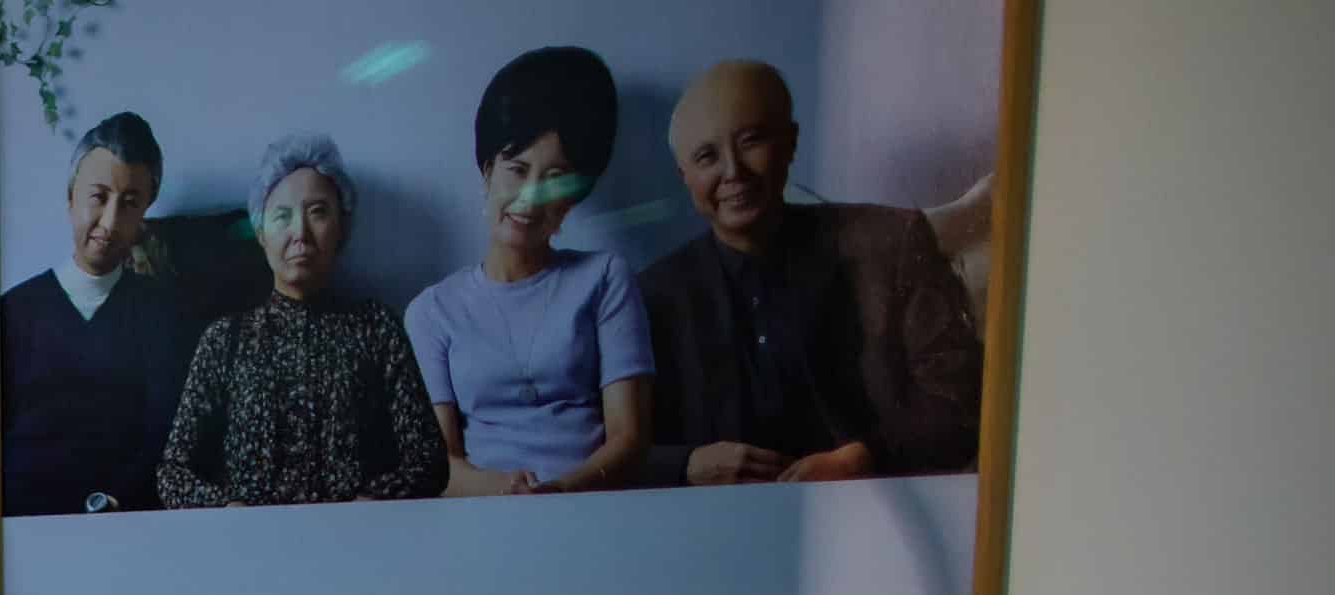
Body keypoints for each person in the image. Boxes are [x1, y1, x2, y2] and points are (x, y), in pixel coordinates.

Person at [637, 59, 982, 486]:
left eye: (751, 141)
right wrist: (687, 464)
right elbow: (606, 449)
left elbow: (966, 402)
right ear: (684, 176)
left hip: (877, 515)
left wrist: (863, 458)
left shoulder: (890, 243)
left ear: (791, 142)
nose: (733, 172)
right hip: (713, 529)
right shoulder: (653, 294)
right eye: (707, 156)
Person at [404, 47, 654, 496]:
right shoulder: (432, 311)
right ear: (486, 173)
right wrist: (503, 490)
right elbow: (439, 463)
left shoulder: (605, 278)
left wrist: (559, 490)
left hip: (593, 505)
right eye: (517, 170)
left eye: (555, 179)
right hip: (484, 514)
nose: (530, 196)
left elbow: (629, 438)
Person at [160, 135, 447, 508]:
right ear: (261, 234)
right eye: (282, 216)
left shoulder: (376, 327)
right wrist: (227, 511)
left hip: (360, 546)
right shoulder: (224, 339)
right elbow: (172, 472)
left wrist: (373, 502)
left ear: (341, 228)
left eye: (317, 212)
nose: (300, 233)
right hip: (251, 550)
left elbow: (430, 461)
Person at [0, 110, 203, 516]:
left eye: (129, 204)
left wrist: (113, 503)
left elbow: (165, 437)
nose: (110, 222)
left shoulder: (166, 316)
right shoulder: (10, 313)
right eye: (98, 197)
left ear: (144, 214)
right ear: (70, 197)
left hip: (126, 526)